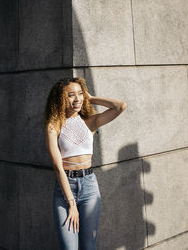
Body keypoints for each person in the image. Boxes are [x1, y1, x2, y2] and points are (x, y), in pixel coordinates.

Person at [44, 77, 127, 250]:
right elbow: (57, 166)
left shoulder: (90, 122)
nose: (77, 99)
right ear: (61, 98)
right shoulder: (54, 126)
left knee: (89, 246)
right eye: (71, 95)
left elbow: (120, 106)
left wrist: (91, 98)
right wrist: (71, 203)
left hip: (89, 186)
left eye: (80, 94)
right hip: (65, 188)